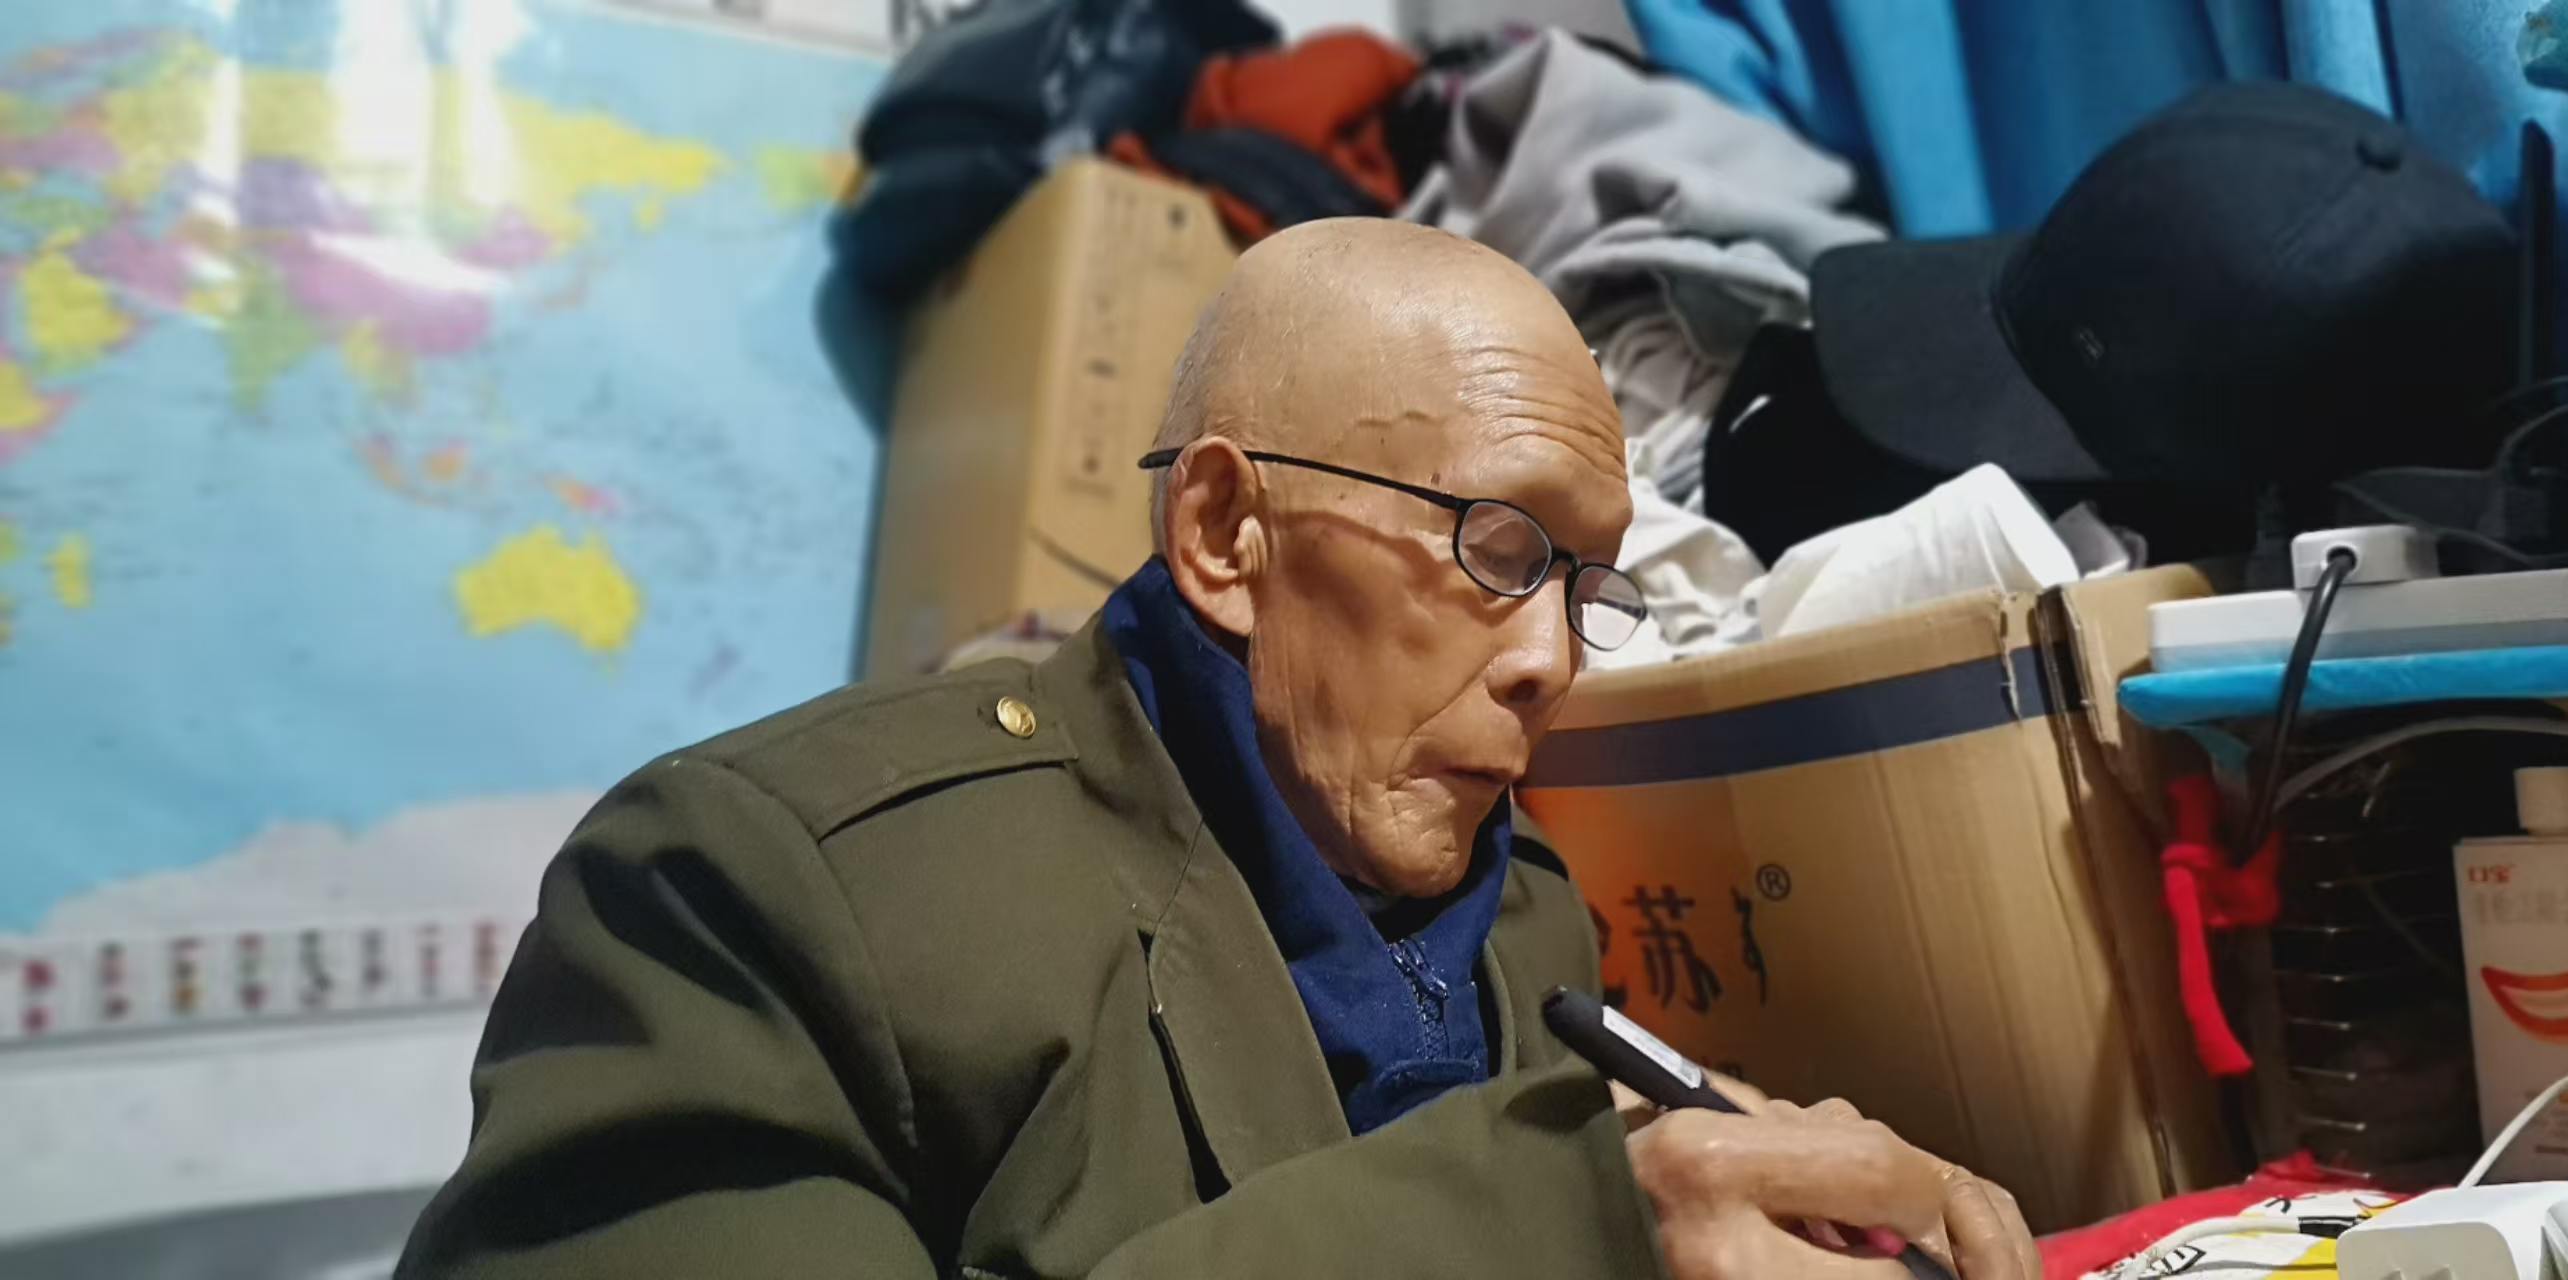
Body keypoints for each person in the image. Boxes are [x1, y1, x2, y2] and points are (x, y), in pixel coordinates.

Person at [399, 219, 2039, 1280]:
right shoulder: (764, 888)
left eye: (1584, 585)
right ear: (1223, 533)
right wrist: (1572, 1220)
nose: (1550, 660)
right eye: (1493, 550)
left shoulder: (1522, 907)